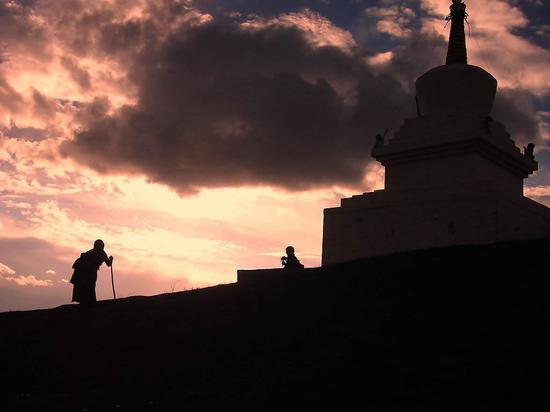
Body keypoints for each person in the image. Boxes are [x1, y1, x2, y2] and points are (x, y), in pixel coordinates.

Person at [70, 239, 113, 305]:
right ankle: (89, 302)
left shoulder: (91, 252)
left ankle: (85, 301)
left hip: (82, 271)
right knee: (90, 286)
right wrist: (111, 259)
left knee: (86, 286)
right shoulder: (101, 253)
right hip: (87, 271)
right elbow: (109, 264)